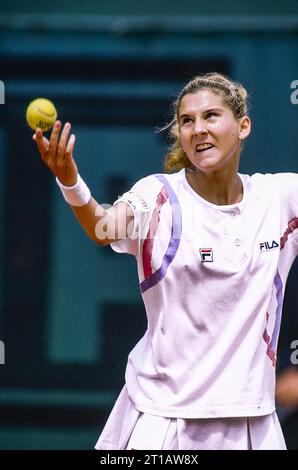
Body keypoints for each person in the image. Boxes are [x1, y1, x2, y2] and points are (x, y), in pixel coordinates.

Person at [33, 72, 296, 450]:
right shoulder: (158, 195)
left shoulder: (282, 198)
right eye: (187, 121)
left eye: (210, 116)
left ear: (243, 126)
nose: (198, 129)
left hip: (252, 421)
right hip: (162, 422)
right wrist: (71, 181)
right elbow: (103, 229)